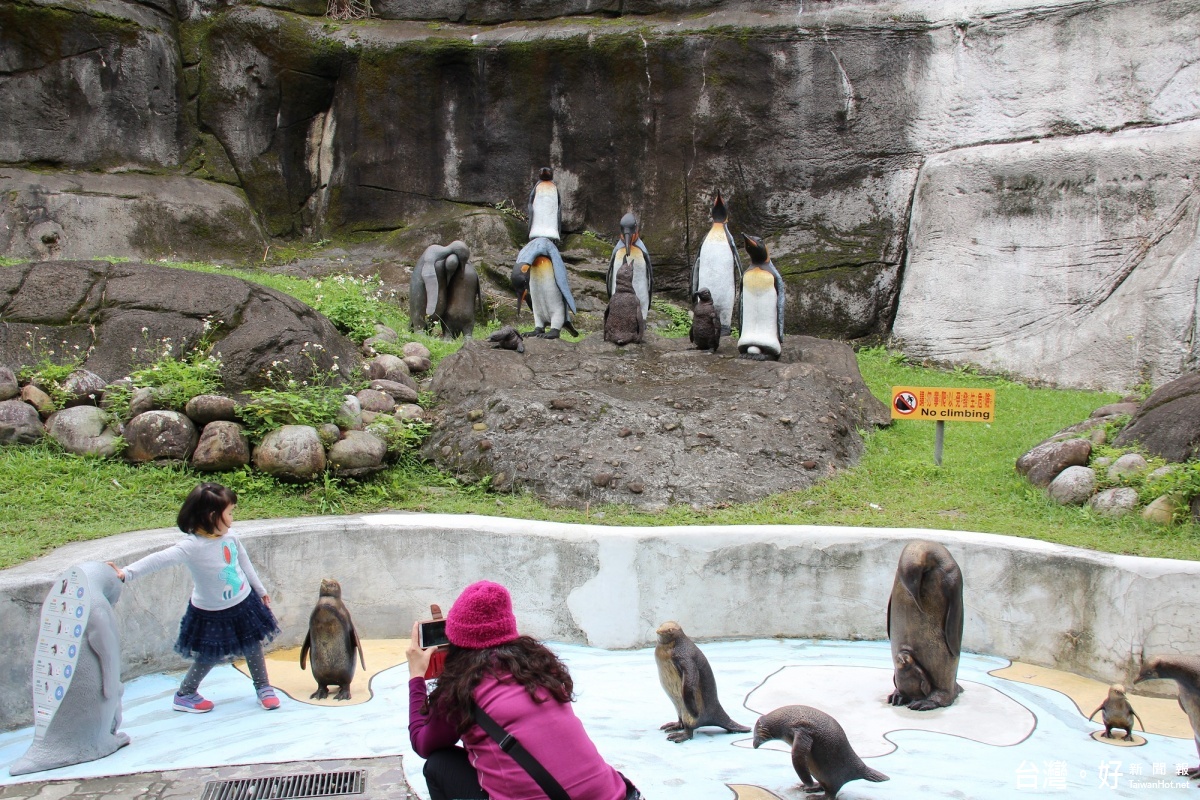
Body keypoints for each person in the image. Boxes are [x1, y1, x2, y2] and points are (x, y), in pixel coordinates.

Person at [407, 581, 641, 800]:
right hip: (614, 794)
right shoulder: (542, 667)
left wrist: (417, 677)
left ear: (455, 638)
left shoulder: (461, 688)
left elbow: (423, 743)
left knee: (439, 764)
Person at [107, 482, 281, 713]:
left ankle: (263, 687)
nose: (232, 519)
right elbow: (158, 559)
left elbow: (243, 563)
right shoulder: (191, 547)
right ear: (212, 516)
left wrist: (260, 590)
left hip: (243, 603)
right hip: (211, 612)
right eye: (229, 513)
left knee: (252, 645)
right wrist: (125, 573)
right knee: (210, 653)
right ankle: (186, 693)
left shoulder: (231, 537)